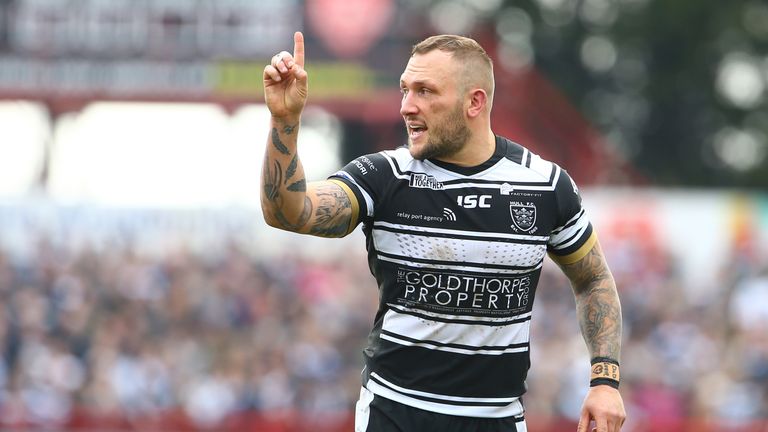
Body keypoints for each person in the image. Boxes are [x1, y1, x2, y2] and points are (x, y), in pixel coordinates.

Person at [262, 31, 626, 432]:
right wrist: (285, 120)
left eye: (424, 91)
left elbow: (592, 279)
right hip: (395, 414)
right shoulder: (385, 176)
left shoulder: (544, 185)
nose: (406, 107)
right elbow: (289, 212)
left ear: (475, 102)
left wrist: (605, 381)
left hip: (497, 419)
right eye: (404, 90)